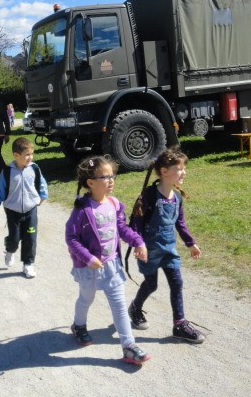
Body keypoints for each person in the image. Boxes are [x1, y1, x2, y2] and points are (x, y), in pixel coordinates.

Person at [65, 155, 151, 365]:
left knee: (119, 305)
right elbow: (71, 238)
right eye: (105, 177)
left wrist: (138, 242)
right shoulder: (82, 209)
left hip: (112, 264)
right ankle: (79, 326)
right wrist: (88, 257)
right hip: (89, 267)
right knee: (86, 298)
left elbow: (122, 228)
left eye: (113, 175)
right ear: (91, 182)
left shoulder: (114, 203)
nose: (111, 180)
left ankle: (129, 346)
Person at [128, 146, 205, 344]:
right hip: (149, 251)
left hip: (169, 250)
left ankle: (179, 324)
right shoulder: (149, 195)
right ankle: (135, 308)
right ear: (164, 171)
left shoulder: (177, 198)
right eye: (179, 169)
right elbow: (136, 222)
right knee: (151, 285)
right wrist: (138, 243)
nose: (184, 172)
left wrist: (190, 243)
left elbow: (180, 223)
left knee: (177, 283)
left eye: (184, 168)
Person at [0, 137, 48, 279]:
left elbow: (42, 183)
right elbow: (0, 190)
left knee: (30, 237)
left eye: (31, 154)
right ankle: (10, 250)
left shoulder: (34, 168)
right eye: (27, 154)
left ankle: (28, 264)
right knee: (14, 238)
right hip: (13, 211)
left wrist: (43, 196)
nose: (30, 157)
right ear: (16, 155)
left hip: (31, 209)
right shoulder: (7, 171)